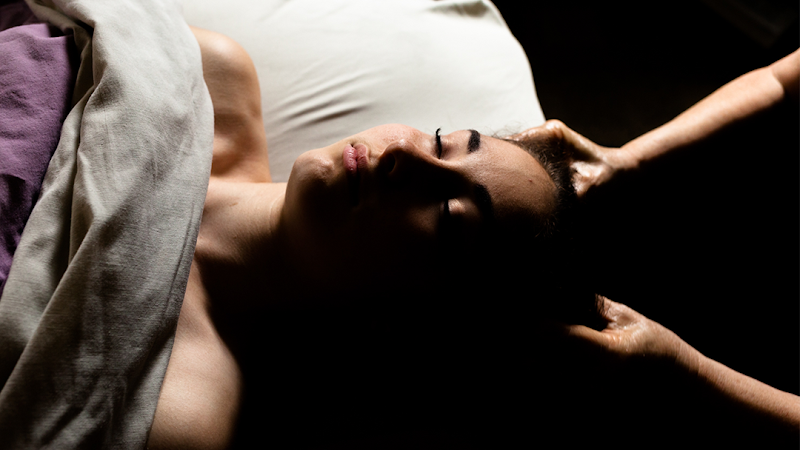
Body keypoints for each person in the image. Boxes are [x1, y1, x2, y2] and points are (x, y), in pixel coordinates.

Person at [146, 26, 799, 449]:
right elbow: (779, 80)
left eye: (449, 216)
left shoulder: (177, 414)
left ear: (403, 322)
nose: (406, 158)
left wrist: (681, 371)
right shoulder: (210, 72)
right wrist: (627, 161)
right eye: (442, 142)